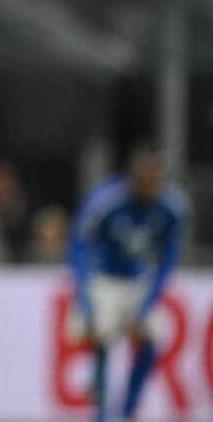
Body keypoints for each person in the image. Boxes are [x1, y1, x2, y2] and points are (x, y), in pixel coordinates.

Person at [67, 144, 188, 422]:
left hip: (139, 280)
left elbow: (167, 259)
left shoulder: (171, 207)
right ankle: (100, 414)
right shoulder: (106, 200)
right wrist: (85, 298)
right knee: (100, 337)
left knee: (150, 339)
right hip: (104, 279)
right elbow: (78, 245)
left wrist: (147, 305)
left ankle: (128, 411)